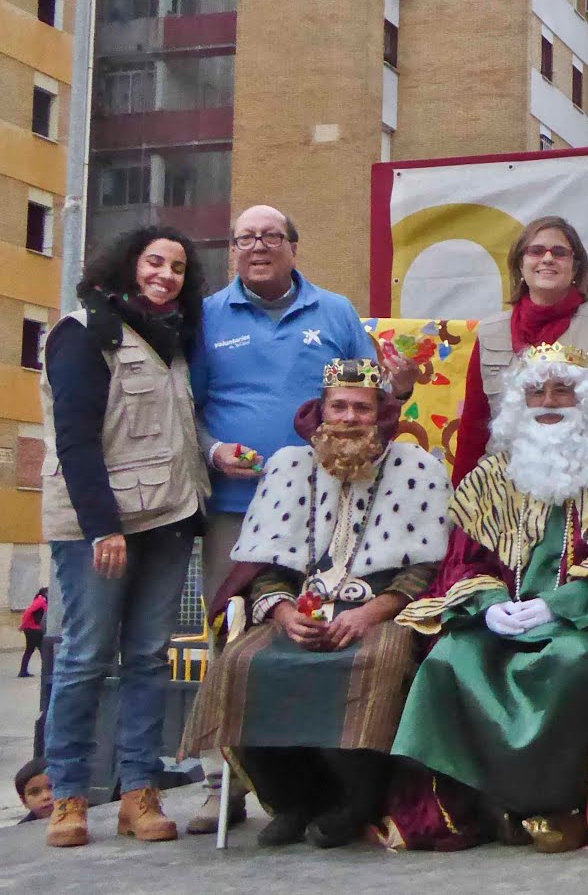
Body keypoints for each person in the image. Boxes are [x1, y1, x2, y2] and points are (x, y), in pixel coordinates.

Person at [186, 204, 416, 834]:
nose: (257, 246)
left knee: (340, 645)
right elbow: (189, 404)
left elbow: (371, 391)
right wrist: (211, 451)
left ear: (293, 245)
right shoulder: (205, 316)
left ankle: (336, 789)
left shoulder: (336, 311)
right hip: (237, 509)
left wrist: (401, 388)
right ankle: (223, 786)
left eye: (270, 236)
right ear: (232, 249)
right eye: (244, 238)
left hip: (338, 508)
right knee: (231, 637)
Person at [388, 344, 588, 851]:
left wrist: (561, 603)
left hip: (582, 622)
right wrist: (488, 604)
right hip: (501, 620)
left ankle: (564, 804)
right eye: (537, 391)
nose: (549, 402)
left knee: (576, 665)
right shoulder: (489, 478)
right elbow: (461, 561)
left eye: (562, 390)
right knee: (448, 659)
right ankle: (478, 807)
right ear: (519, 404)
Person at [182, 360, 448, 849]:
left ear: (381, 413)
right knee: (244, 663)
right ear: (321, 411)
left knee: (375, 662)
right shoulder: (288, 466)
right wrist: (284, 614)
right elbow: (262, 564)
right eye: (339, 406)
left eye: (361, 408)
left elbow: (425, 569)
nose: (349, 418)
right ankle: (291, 801)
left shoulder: (419, 468)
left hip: (380, 610)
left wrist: (369, 614)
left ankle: (356, 802)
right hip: (297, 608)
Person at [39, 225, 211, 848]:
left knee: (147, 657)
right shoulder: (83, 332)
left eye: (178, 268)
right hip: (99, 527)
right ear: (127, 264)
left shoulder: (178, 342)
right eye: (154, 262)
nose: (166, 275)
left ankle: (139, 791)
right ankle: (68, 796)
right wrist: (101, 528)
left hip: (168, 518)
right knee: (86, 658)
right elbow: (76, 437)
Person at [451, 216, 588, 483]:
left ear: (576, 267)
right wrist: (462, 500)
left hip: (586, 487)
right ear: (520, 264)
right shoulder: (490, 332)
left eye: (560, 252)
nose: (548, 259)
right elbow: (473, 426)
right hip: (501, 489)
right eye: (536, 251)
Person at [18, 587, 47, 677]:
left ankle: (23, 671)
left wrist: (24, 625)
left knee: (31, 650)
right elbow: (28, 611)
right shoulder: (41, 600)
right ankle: (46, 671)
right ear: (45, 593)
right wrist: (24, 624)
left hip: (32, 629)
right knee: (43, 650)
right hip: (34, 629)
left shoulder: (40, 600)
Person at [15, 759, 54, 823]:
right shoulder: (23, 830)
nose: (46, 796)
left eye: (53, 788)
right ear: (24, 801)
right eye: (35, 792)